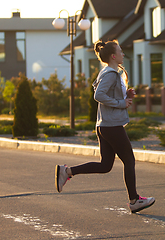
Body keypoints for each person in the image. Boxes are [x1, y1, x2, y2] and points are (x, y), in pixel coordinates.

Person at [55, 40, 155, 213]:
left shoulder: (108, 72)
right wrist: (120, 103)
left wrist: (126, 94)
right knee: (129, 160)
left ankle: (67, 171)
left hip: (105, 125)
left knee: (105, 165)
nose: (123, 54)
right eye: (120, 51)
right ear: (113, 56)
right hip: (112, 125)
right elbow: (99, 95)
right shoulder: (110, 74)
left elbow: (106, 93)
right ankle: (134, 200)